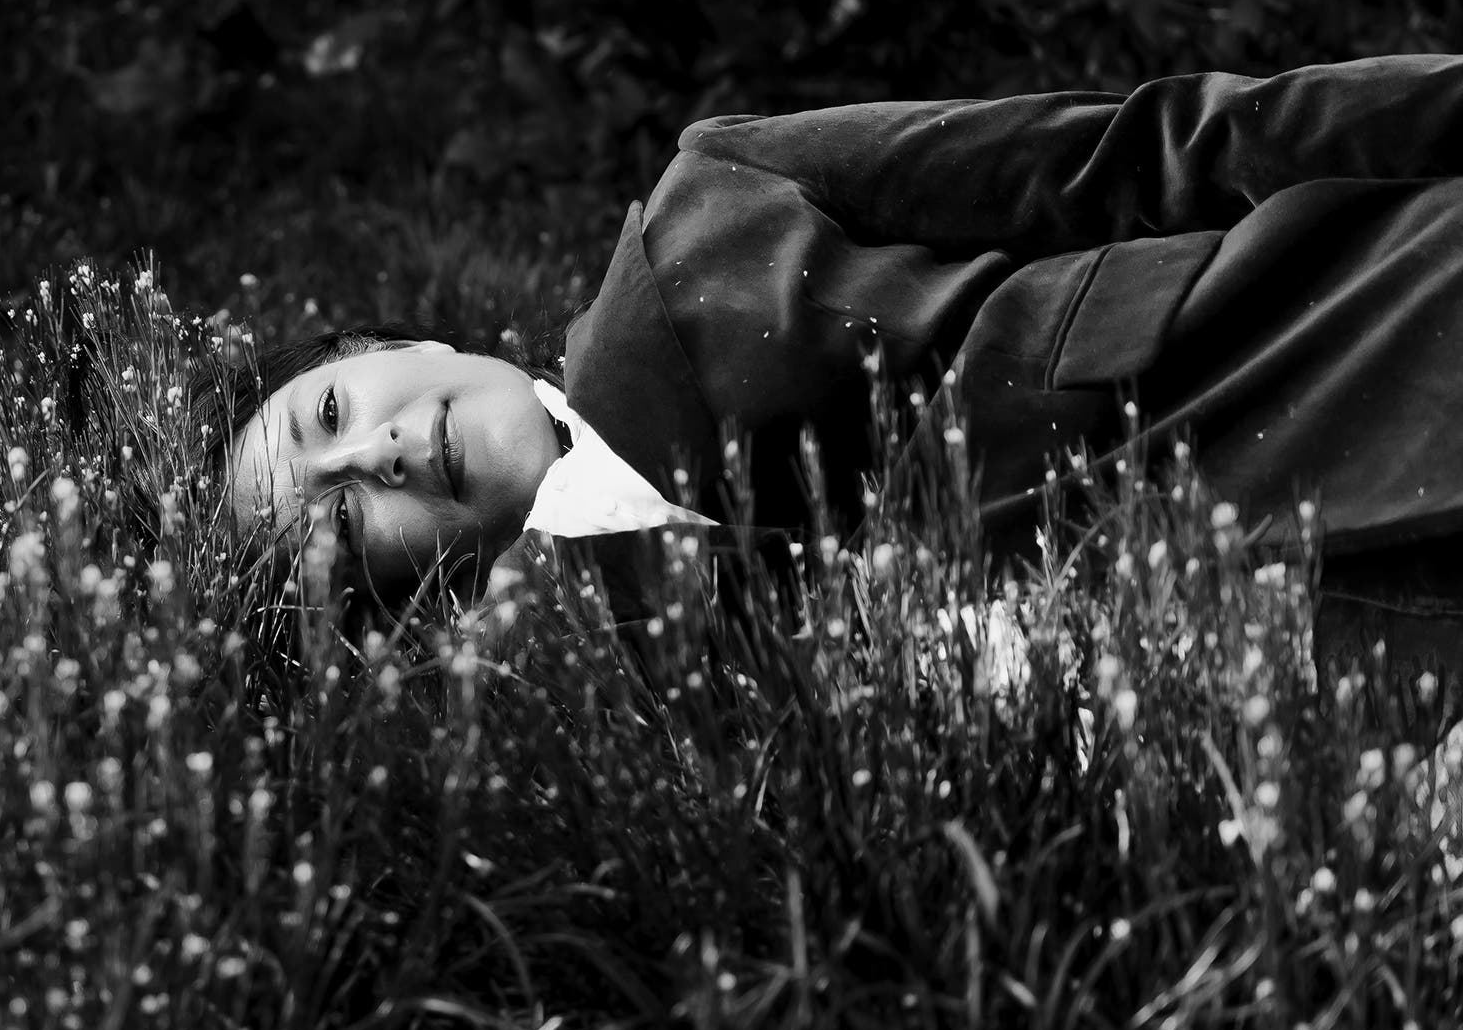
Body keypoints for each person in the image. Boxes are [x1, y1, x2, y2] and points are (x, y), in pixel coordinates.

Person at [216, 56, 1463, 663]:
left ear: (413, 347)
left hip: (1364, 339)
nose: (373, 454)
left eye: (334, 409)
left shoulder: (710, 203)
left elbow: (1156, 152)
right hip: (1331, 688)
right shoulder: (607, 717)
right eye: (338, 518)